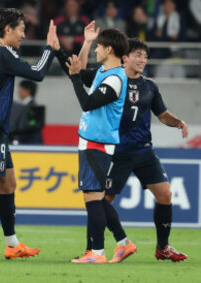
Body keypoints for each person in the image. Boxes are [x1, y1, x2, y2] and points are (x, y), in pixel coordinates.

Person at [81, 37, 188, 262]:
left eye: (145, 56)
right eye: (138, 55)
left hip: (143, 151)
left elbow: (162, 114)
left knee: (165, 194)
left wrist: (177, 122)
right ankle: (93, 248)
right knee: (101, 199)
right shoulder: (110, 76)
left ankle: (163, 247)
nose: (143, 60)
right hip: (116, 152)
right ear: (125, 57)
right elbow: (81, 73)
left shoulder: (150, 86)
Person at [0, 8, 58, 261]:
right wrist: (50, 48)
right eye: (21, 29)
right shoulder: (4, 53)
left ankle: (12, 244)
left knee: (9, 184)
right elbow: (37, 72)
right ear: (7, 29)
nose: (24, 35)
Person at [55, 22, 131, 263]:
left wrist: (77, 77)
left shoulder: (116, 79)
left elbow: (87, 103)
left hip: (97, 144)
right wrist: (59, 50)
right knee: (95, 198)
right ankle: (123, 243)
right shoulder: (104, 72)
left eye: (98, 46)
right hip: (91, 142)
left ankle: (97, 252)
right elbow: (75, 71)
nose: (96, 51)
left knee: (93, 198)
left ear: (109, 49)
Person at [9, 80, 44, 145]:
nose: (18, 92)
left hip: (32, 143)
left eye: (20, 89)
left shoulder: (32, 107)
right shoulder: (26, 106)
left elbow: (29, 129)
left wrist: (16, 138)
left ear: (27, 91)